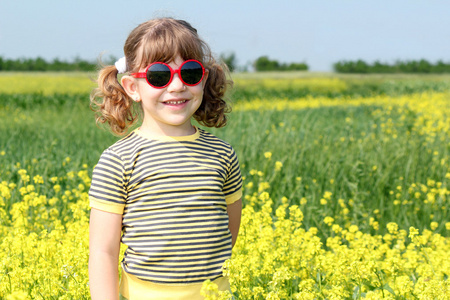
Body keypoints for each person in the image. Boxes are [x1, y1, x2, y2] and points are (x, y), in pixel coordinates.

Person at [88, 18, 243, 300]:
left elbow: (228, 231)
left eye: (190, 73)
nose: (177, 86)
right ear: (133, 87)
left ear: (204, 78)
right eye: (159, 75)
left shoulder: (222, 154)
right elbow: (102, 251)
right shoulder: (118, 160)